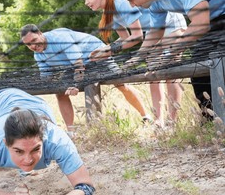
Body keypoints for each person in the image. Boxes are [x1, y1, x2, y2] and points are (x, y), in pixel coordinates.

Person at [116, 0, 225, 120]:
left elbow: (200, 23)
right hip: (213, 19)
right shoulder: (155, 1)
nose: (132, 5)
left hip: (215, 17)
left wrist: (168, 55)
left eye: (131, 0)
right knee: (198, 67)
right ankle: (212, 122)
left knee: (220, 63)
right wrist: (136, 58)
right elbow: (156, 32)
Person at [81, 0, 187, 128]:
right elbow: (125, 39)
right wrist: (105, 49)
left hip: (170, 24)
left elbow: (137, 36)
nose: (86, 3)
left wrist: (110, 49)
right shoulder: (109, 10)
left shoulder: (120, 2)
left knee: (169, 71)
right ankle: (158, 121)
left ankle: (172, 122)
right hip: (153, 32)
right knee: (152, 74)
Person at [20, 24, 152, 132]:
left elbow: (79, 64)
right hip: (73, 66)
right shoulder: (38, 55)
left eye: (34, 41)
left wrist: (76, 84)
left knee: (120, 84)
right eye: (28, 45)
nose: (32, 46)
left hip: (95, 55)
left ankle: (146, 116)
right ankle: (71, 131)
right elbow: (46, 78)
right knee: (59, 92)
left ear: (40, 33)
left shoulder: (60, 38)